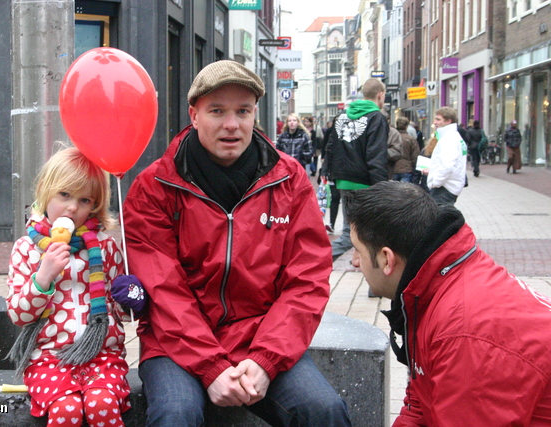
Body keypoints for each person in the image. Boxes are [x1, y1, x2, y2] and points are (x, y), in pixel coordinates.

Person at [122, 60, 351, 426]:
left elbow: (306, 281)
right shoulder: (154, 188)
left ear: (254, 114)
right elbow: (163, 289)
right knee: (175, 414)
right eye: (217, 111)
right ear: (194, 115)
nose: (232, 124)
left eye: (243, 111)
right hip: (175, 345)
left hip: (261, 336)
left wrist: (266, 360)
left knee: (324, 410)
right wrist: (211, 366)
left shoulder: (289, 180)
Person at [346, 181, 551, 426]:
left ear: (387, 259)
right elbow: (420, 402)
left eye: (357, 250)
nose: (354, 262)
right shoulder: (433, 283)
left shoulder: (465, 333)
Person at [6, 147, 145, 427]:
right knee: (66, 408)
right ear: (46, 191)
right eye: (64, 195)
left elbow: (121, 312)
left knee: (102, 403)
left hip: (102, 356)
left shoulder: (104, 246)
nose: (72, 207)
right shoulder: (27, 248)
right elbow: (19, 315)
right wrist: (43, 277)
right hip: (49, 359)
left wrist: (131, 296)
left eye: (84, 200)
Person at [321, 78, 389, 263]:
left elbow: (330, 147)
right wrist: (381, 188)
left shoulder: (341, 117)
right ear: (380, 95)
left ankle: (369, 276)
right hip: (364, 182)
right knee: (362, 234)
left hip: (343, 181)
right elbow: (376, 154)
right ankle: (315, 262)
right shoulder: (376, 118)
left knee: (354, 232)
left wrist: (327, 171)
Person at [427, 107, 467, 206]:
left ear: (448, 121)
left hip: (444, 188)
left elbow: (447, 165)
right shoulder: (453, 136)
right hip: (449, 186)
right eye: (435, 119)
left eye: (438, 119)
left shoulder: (449, 139)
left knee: (439, 218)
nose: (435, 122)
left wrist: (435, 182)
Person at [393, 117, 420, 182]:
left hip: (393, 168)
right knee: (404, 190)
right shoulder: (410, 139)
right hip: (406, 168)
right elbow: (415, 155)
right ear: (406, 126)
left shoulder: (391, 137)